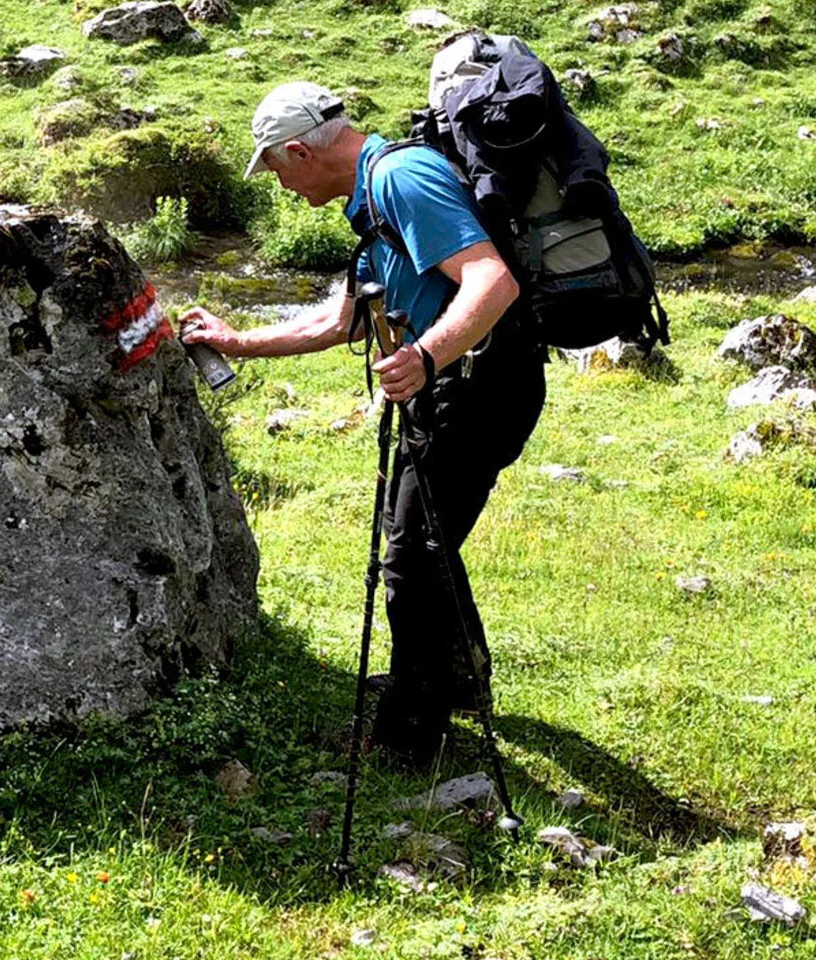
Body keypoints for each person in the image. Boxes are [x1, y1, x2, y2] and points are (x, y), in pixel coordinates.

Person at [180, 82, 547, 765]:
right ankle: (458, 680)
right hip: (452, 386)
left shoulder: (403, 179)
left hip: (476, 390)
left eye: (277, 169)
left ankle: (410, 736)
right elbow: (341, 318)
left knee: (411, 558)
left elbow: (492, 280)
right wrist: (237, 341)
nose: (280, 185)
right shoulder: (373, 194)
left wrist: (425, 357)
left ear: (300, 151)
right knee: (424, 537)